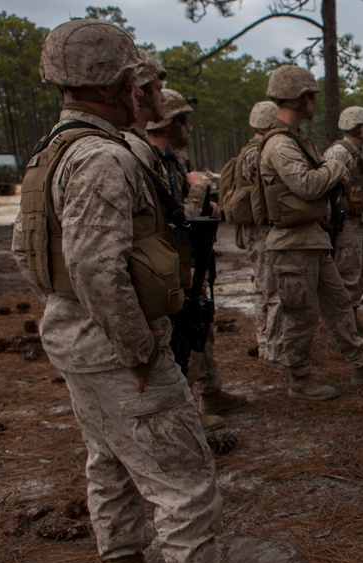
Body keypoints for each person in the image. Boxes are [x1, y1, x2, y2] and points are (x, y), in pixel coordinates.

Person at [10, 18, 277, 563]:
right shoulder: (103, 158)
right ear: (121, 83)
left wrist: (69, 313)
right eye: (139, 79)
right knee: (183, 475)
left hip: (76, 337)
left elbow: (27, 251)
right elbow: (97, 266)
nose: (146, 89)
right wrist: (137, 349)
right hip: (117, 347)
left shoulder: (49, 152)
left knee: (111, 464)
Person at [258, 65, 363, 400]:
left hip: (312, 240)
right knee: (301, 314)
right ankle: (300, 378)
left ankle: (362, 363)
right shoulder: (280, 145)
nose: (315, 103)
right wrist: (336, 168)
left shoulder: (296, 140)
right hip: (292, 244)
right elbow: (307, 185)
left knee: (338, 304)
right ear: (298, 98)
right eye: (311, 96)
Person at [147, 88, 248, 430]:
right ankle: (188, 408)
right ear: (170, 122)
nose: (188, 126)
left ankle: (211, 390)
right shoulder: (150, 161)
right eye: (183, 119)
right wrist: (198, 192)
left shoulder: (176, 159)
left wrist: (208, 205)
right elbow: (170, 223)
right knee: (182, 338)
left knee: (201, 329)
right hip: (171, 267)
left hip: (191, 261)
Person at [233, 100, 285, 367]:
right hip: (263, 229)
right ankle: (272, 348)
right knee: (272, 289)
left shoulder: (246, 151)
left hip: (254, 229)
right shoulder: (260, 152)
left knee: (262, 288)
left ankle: (265, 342)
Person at [323, 106, 363, 334]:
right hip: (345, 225)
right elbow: (327, 191)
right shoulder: (338, 153)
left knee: (361, 272)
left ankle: (352, 319)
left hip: (362, 222)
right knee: (346, 274)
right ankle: (342, 327)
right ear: (355, 127)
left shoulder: (362, 154)